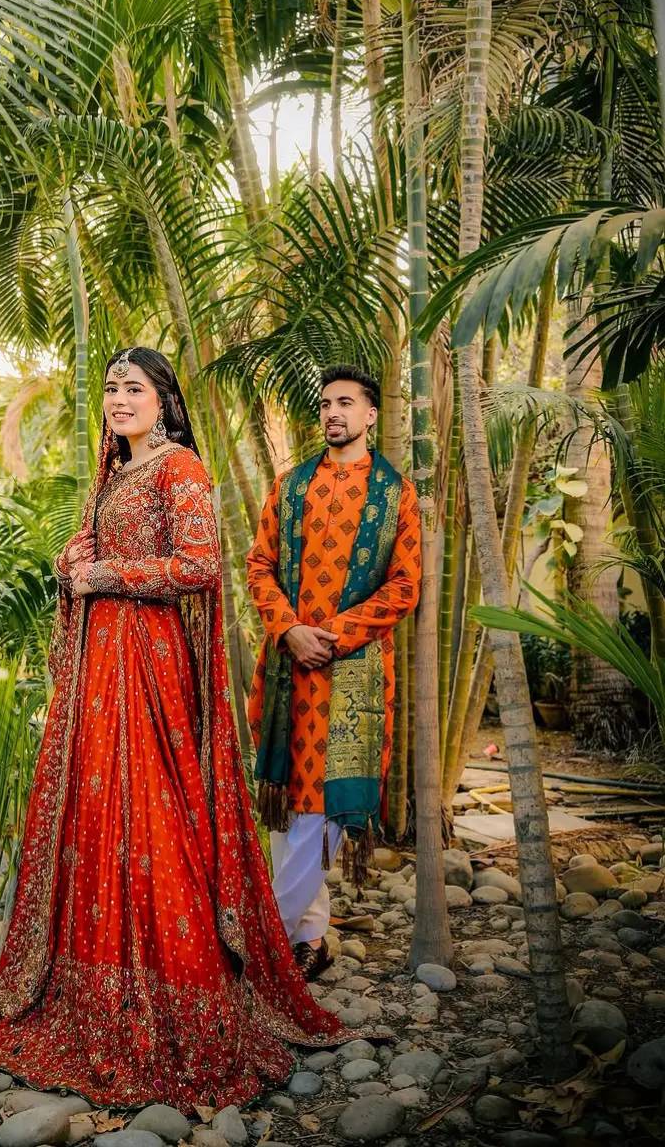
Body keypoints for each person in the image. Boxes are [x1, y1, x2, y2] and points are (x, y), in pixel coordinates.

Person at [0, 347, 346, 1110]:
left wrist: (105, 575)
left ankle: (181, 986)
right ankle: (87, 977)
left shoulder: (181, 469)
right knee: (99, 815)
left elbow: (200, 566)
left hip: (151, 664)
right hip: (101, 670)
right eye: (111, 388)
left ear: (164, 400)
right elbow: (92, 557)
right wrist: (73, 560)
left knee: (154, 815)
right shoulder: (114, 473)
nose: (118, 399)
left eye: (133, 388)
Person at [246, 366, 422, 978]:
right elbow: (259, 565)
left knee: (327, 803)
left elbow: (405, 585)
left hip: (354, 671)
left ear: (371, 414)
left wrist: (334, 634)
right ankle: (311, 939)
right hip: (288, 666)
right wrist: (290, 629)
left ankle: (265, 939)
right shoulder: (291, 485)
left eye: (345, 403)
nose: (332, 413)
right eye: (325, 404)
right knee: (288, 801)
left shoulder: (395, 494)